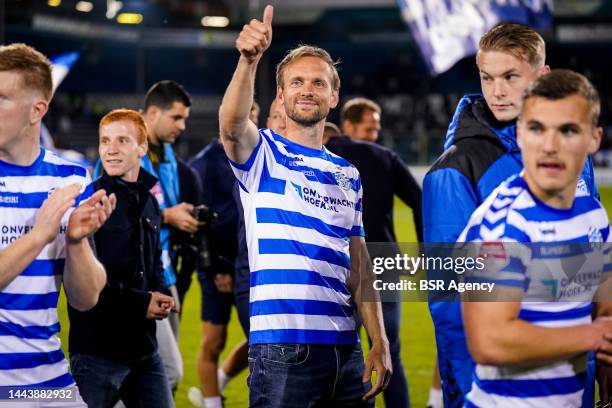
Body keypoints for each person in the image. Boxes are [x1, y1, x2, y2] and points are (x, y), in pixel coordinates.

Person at [219, 5, 391, 406]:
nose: (307, 89)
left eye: (317, 82)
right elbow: (230, 125)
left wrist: (379, 339)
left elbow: (359, 263)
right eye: (296, 82)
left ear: (334, 96)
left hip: (345, 351)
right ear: (281, 94)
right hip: (282, 350)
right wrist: (249, 60)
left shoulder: (348, 173)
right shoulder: (262, 153)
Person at [422, 23, 599, 407]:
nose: (497, 91)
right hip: (502, 392)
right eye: (487, 77)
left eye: (510, 77)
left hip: (574, 381)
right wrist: (473, 395)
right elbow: (452, 298)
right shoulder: (455, 169)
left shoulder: (571, 154)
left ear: (543, 77)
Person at [460, 69, 612, 407]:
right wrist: (594, 336)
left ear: (594, 139)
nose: (550, 145)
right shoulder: (500, 224)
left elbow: (605, 292)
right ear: (520, 133)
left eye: (568, 130)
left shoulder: (591, 212)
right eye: (536, 128)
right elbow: (490, 342)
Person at [0, 43, 115, 407]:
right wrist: (41, 235)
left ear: (37, 111)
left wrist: (78, 243)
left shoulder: (72, 179)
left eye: (1, 98)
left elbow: (85, 300)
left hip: (50, 380)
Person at [68, 109, 175, 408]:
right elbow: (87, 283)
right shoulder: (90, 203)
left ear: (142, 148)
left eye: (122, 140)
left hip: (143, 350)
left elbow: (154, 262)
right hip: (96, 351)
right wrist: (142, 302)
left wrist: (162, 292)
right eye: (105, 141)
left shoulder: (150, 200)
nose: (110, 149)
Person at [326, 96, 424, 407]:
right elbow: (420, 200)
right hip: (384, 260)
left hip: (339, 263)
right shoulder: (385, 157)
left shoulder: (323, 156)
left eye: (376, 130)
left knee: (343, 351)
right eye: (369, 129)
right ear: (349, 126)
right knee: (388, 350)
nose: (374, 135)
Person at [139, 80, 203, 393]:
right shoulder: (123, 144)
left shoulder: (166, 156)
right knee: (166, 372)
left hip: (166, 273)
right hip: (136, 277)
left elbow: (164, 204)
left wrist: (182, 216)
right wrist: (167, 216)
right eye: (177, 117)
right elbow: (111, 213)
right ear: (153, 112)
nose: (182, 125)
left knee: (160, 378)